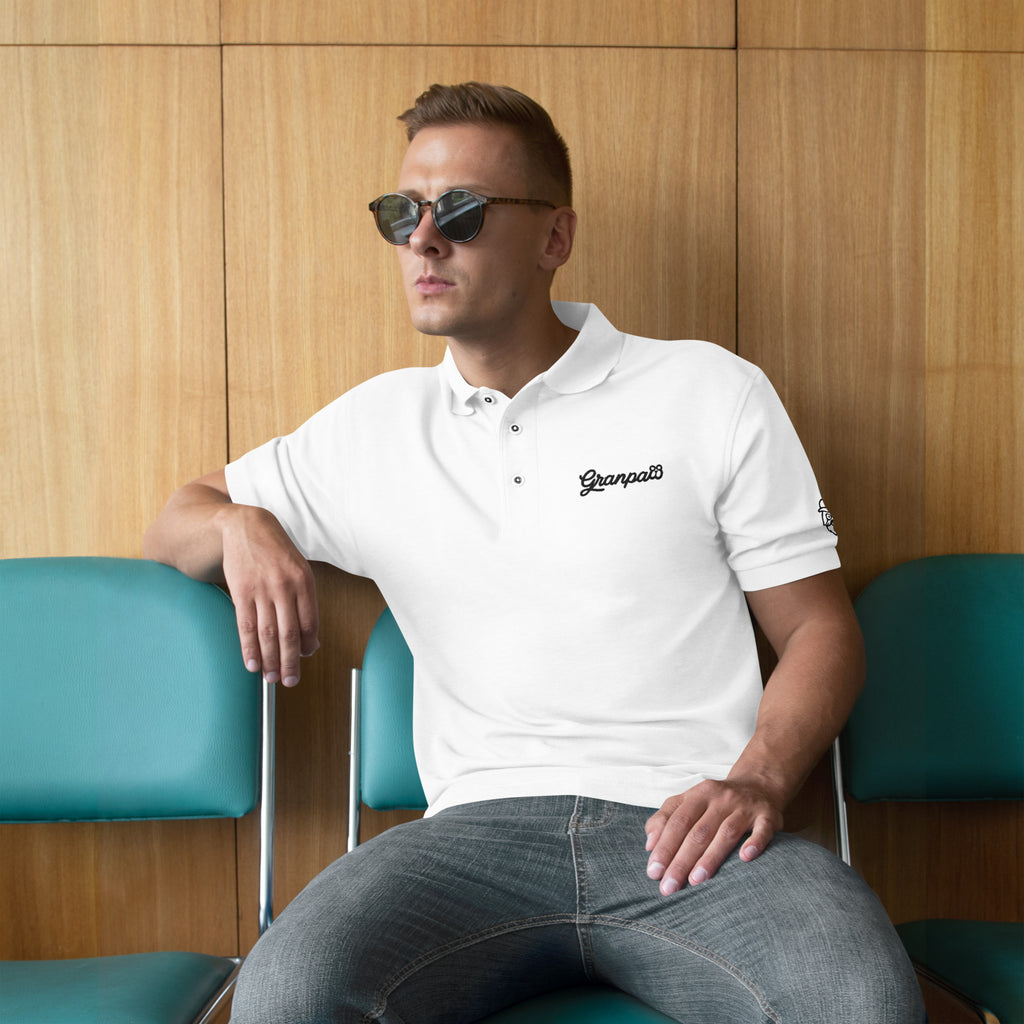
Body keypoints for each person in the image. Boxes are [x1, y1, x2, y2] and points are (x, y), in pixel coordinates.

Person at [145, 82, 925, 1023]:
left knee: (863, 1000)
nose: (425, 241)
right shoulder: (375, 429)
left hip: (694, 832)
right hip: (470, 843)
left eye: (463, 213)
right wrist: (241, 524)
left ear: (555, 237)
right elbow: (175, 521)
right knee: (289, 996)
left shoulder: (707, 392)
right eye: (403, 213)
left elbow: (819, 632)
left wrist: (757, 777)